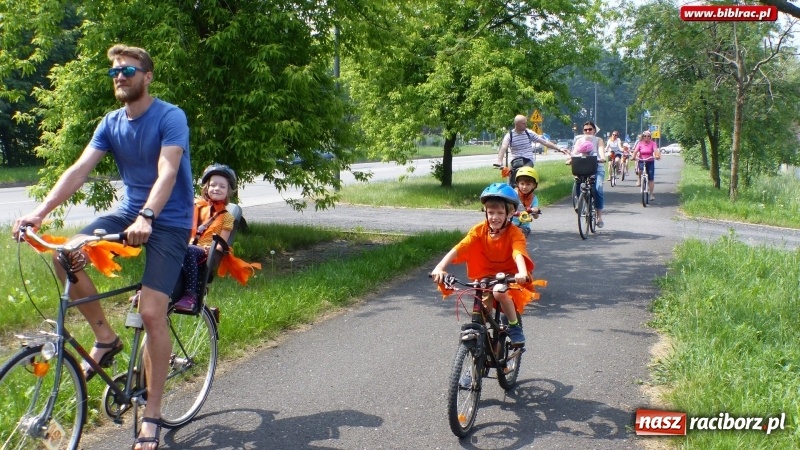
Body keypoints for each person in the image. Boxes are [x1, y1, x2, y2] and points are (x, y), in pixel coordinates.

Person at [12, 44, 193, 450]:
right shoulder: (111, 123)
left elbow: (168, 169)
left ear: (147, 76)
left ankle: (152, 416)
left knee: (150, 312)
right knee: (64, 254)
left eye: (128, 70)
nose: (120, 77)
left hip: (170, 220)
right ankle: (106, 337)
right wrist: (39, 213)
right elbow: (78, 170)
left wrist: (147, 216)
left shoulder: (170, 116)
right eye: (114, 72)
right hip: (129, 212)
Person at [430, 183, 536, 346]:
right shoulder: (479, 230)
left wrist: (522, 272)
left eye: (500, 213)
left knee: (499, 292)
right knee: (481, 312)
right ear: (485, 212)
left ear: (510, 213)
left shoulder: (515, 233)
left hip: (509, 275)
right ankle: (486, 350)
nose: (495, 217)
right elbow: (461, 247)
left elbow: (518, 252)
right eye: (491, 212)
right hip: (485, 275)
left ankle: (514, 326)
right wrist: (440, 267)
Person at [174, 163, 237, 312]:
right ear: (206, 188)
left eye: (222, 186)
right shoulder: (196, 207)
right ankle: (149, 290)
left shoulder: (227, 217)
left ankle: (191, 294)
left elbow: (223, 242)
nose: (217, 188)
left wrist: (214, 248)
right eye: (213, 185)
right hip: (187, 245)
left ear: (228, 191)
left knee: (189, 250)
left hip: (205, 251)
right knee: (163, 248)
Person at [497, 115, 568, 184]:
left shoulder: (529, 133)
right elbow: (503, 147)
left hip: (528, 160)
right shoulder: (510, 135)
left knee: (523, 174)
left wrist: (559, 148)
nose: (526, 125)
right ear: (517, 124)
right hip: (515, 161)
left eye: (526, 123)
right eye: (523, 123)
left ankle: (527, 193)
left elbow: (544, 142)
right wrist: (499, 162)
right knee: (510, 180)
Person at [570, 121, 607, 227]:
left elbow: (600, 150)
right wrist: (570, 159)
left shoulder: (598, 140)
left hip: (597, 168)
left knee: (597, 189)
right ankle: (580, 202)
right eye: (585, 129)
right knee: (578, 181)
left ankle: (599, 217)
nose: (588, 131)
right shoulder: (579, 140)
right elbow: (575, 153)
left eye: (590, 129)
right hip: (583, 167)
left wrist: (602, 158)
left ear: (594, 130)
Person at [511, 166, 541, 237]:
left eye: (528, 184)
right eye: (522, 184)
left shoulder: (534, 198)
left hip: (524, 227)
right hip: (510, 224)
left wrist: (534, 211)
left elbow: (536, 216)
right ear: (517, 184)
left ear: (534, 185)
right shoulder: (513, 194)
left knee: (519, 237)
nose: (524, 187)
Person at [632, 130, 658, 200]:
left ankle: (651, 194)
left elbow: (655, 150)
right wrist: (633, 156)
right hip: (641, 160)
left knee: (651, 178)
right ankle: (639, 180)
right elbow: (635, 151)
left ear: (650, 137)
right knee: (640, 170)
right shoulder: (640, 143)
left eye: (648, 136)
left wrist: (657, 155)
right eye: (645, 136)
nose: (646, 137)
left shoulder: (653, 143)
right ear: (643, 137)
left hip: (650, 161)